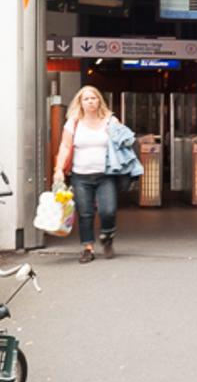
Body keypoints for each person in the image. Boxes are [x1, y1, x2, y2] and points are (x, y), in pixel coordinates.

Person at [54, 85, 139, 264]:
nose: (90, 101)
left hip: (105, 174)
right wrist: (58, 169)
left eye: (93, 98)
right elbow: (65, 146)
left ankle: (107, 236)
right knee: (85, 213)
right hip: (80, 175)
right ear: (80, 103)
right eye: (86, 99)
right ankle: (87, 248)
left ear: (99, 100)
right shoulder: (73, 122)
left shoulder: (110, 120)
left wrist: (120, 133)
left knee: (108, 210)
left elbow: (127, 140)